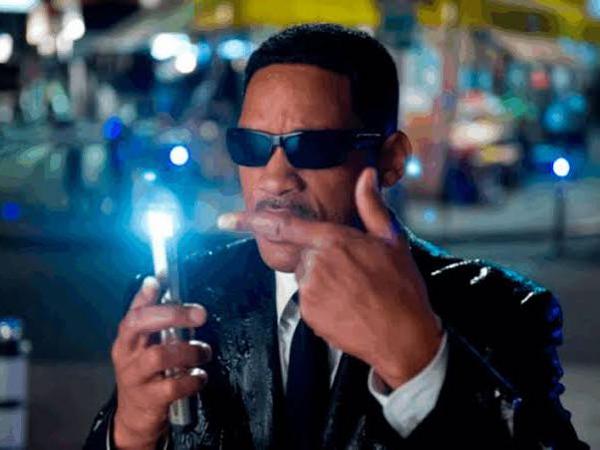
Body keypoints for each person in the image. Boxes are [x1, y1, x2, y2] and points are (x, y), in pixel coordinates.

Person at [84, 24, 588, 450]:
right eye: (252, 145)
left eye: (313, 146)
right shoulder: (183, 297)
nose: (275, 178)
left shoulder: (501, 310)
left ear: (390, 160)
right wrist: (129, 432)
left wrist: (421, 365)